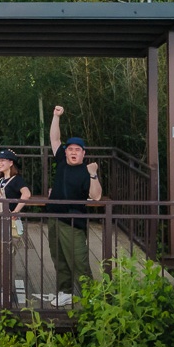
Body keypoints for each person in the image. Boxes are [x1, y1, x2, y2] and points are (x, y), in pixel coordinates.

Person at [46, 105, 102, 306]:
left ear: (83, 153)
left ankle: (91, 297)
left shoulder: (87, 172)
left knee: (78, 260)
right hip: (53, 217)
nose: (73, 152)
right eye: (70, 149)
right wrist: (56, 116)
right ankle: (65, 292)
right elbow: (54, 139)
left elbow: (96, 197)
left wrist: (93, 173)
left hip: (73, 221)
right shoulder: (61, 160)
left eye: (77, 150)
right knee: (58, 258)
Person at [0, 148, 31, 306]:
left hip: (7, 221)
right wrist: (0, 155)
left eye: (4, 160)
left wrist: (15, 211)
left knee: (4, 257)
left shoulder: (17, 180)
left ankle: (6, 291)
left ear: (12, 163)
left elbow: (26, 194)